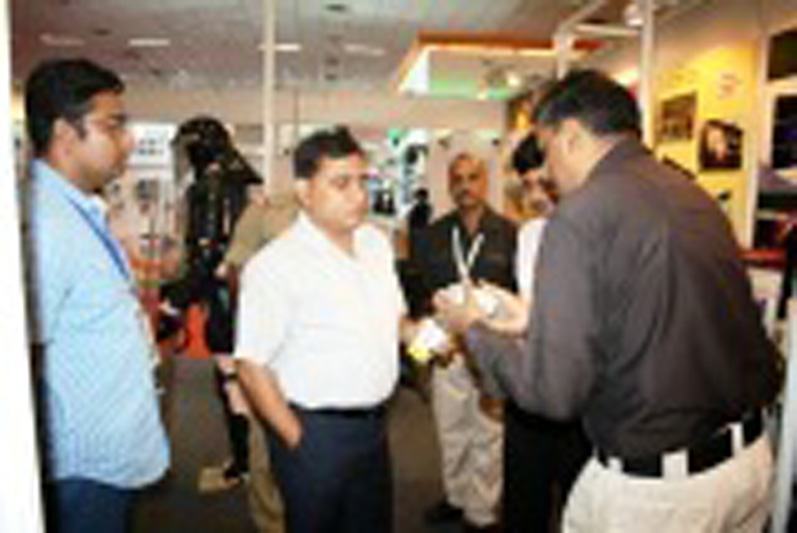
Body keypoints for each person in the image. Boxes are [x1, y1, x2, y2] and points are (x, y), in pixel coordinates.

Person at [435, 70, 781, 533]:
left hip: (660, 495)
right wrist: (536, 319)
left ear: (570, 136)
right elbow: (652, 319)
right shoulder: (691, 195)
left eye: (547, 151)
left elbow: (553, 393)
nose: (547, 173)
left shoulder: (581, 215)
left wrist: (473, 329)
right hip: (746, 468)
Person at [23, 58, 169, 533]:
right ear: (65, 134)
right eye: (113, 126)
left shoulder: (77, 211)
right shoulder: (46, 224)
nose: (128, 140)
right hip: (78, 464)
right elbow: (23, 355)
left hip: (101, 453)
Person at [234, 126, 404, 533]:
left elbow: (395, 321)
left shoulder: (375, 244)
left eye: (363, 182)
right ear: (304, 191)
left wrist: (436, 331)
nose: (358, 195)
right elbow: (251, 366)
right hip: (315, 434)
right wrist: (298, 440)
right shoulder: (276, 265)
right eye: (341, 184)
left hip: (375, 429)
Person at [410, 153, 516, 532]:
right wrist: (422, 348)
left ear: (485, 182)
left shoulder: (509, 233)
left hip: (492, 346)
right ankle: (456, 497)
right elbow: (418, 293)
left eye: (473, 177)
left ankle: (482, 511)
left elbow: (519, 294)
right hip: (446, 347)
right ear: (449, 185)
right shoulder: (432, 235)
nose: (465, 186)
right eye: (458, 179)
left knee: (488, 431)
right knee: (450, 427)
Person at [503, 132, 590, 533]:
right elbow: (531, 305)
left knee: (578, 503)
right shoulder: (529, 234)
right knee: (524, 501)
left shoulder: (593, 233)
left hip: (580, 395)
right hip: (531, 384)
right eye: (527, 186)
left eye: (544, 183)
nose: (536, 196)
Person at [218, 189, 298, 533]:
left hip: (319, 354)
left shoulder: (340, 217)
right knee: (266, 450)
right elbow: (235, 269)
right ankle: (272, 524)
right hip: (270, 352)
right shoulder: (265, 211)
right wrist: (250, 328)